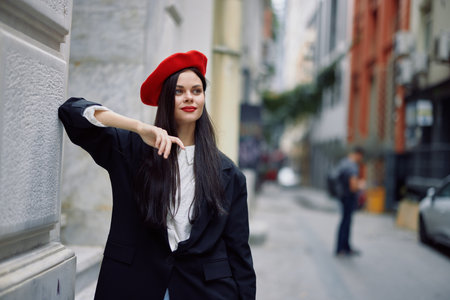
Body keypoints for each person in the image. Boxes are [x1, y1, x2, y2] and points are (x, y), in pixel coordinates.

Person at [58, 50, 256, 300]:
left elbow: (240, 254)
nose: (189, 97)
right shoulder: (132, 150)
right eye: (179, 91)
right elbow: (71, 112)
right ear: (165, 97)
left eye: (197, 90)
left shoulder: (229, 174)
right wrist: (138, 127)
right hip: (134, 284)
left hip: (203, 290)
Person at [335, 146, 365, 257]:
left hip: (342, 196)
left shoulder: (343, 163)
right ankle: (342, 248)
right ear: (359, 155)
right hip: (348, 197)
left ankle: (343, 247)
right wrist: (360, 186)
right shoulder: (352, 166)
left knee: (344, 221)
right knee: (346, 222)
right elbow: (353, 186)